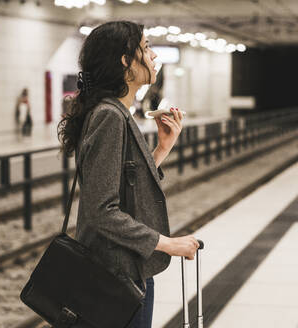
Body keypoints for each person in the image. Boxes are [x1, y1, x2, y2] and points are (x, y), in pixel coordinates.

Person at [56, 21, 199, 328]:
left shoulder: (116, 113)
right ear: (125, 60)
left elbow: (123, 187)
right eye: (146, 48)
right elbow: (101, 211)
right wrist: (167, 243)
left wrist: (161, 149)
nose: (154, 56)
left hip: (124, 271)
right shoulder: (109, 116)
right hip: (115, 278)